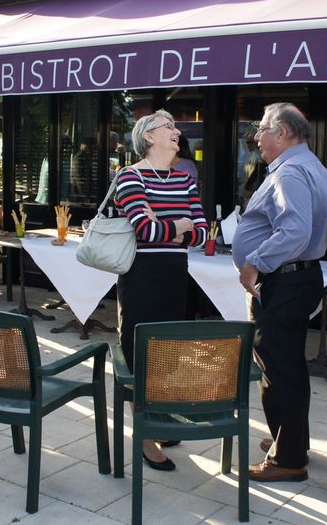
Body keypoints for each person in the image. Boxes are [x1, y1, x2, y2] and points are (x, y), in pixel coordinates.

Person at [232, 102, 327, 483]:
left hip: (284, 280)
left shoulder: (289, 172)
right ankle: (288, 438)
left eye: (261, 129)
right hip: (298, 278)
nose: (256, 137)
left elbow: (294, 231)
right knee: (285, 365)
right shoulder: (312, 166)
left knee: (280, 368)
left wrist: (254, 262)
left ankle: (289, 458)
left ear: (282, 132)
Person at [116, 109, 208, 472]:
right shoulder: (129, 176)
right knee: (140, 356)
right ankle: (146, 438)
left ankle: (161, 419)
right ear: (148, 137)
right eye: (168, 127)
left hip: (174, 276)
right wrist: (180, 225)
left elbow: (201, 232)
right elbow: (144, 231)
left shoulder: (185, 178)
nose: (177, 131)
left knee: (168, 355)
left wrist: (172, 225)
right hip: (141, 278)